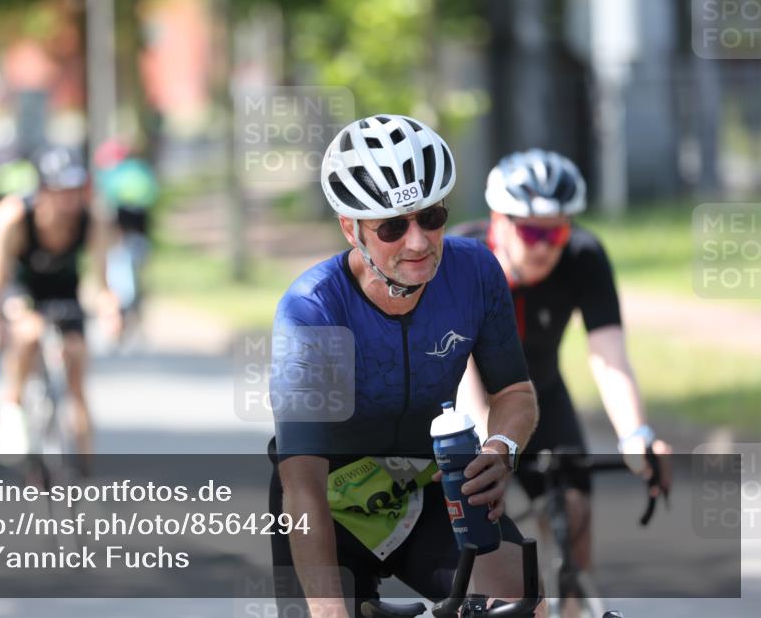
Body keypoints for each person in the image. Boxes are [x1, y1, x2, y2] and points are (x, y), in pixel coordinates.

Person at [269, 115, 540, 618]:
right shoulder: (313, 311)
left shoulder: (476, 271)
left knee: (524, 605)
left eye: (431, 217)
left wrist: (502, 450)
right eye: (393, 227)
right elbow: (301, 485)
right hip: (327, 504)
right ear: (352, 229)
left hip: (434, 489)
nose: (418, 242)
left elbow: (514, 394)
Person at [451, 149, 673, 574]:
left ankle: (573, 600)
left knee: (575, 519)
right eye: (533, 234)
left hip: (543, 395)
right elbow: (464, 369)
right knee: (487, 554)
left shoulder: (583, 256)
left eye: (557, 234)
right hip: (469, 401)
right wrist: (490, 445)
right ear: (500, 221)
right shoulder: (465, 259)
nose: (546, 247)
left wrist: (636, 435)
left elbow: (609, 356)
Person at [0, 144, 121, 459]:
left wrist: (109, 308)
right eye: (61, 191)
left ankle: (83, 473)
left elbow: (100, 281)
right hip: (22, 288)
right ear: (43, 190)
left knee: (76, 364)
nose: (69, 200)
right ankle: (12, 408)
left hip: (64, 292)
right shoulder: (12, 218)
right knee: (28, 333)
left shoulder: (91, 220)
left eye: (75, 190)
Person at [92, 139, 159, 332]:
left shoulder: (114, 175)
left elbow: (107, 204)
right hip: (138, 234)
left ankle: (124, 312)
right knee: (134, 273)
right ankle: (132, 311)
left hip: (122, 236)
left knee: (121, 273)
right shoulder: (142, 171)